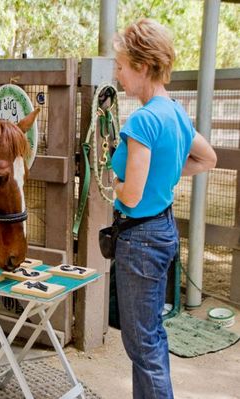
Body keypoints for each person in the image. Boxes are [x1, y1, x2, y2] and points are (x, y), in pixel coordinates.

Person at [110, 18, 217, 399]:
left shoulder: (143, 120)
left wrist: (116, 184)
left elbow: (132, 196)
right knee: (151, 339)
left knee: (143, 346)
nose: (118, 75)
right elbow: (207, 159)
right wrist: (167, 176)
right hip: (163, 231)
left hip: (140, 239)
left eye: (121, 66)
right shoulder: (175, 114)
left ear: (141, 67)